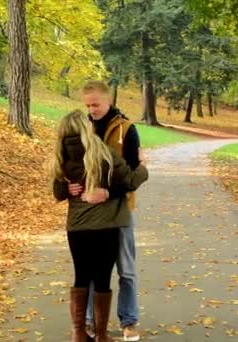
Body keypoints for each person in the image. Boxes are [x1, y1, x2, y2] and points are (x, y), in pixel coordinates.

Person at [51, 110, 148, 342]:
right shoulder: (103, 154)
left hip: (76, 228)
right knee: (102, 277)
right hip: (106, 225)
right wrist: (143, 166)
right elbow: (130, 180)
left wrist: (68, 189)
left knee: (82, 277)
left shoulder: (61, 156)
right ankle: (102, 334)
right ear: (87, 129)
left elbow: (57, 191)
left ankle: (79, 333)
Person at [77, 81, 143, 342]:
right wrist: (72, 185)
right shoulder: (81, 128)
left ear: (108, 101)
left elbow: (134, 174)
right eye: (87, 105)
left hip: (119, 209)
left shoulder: (127, 129)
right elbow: (72, 164)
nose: (91, 109)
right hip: (90, 211)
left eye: (96, 104)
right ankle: (91, 322)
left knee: (126, 270)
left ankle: (129, 322)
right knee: (92, 270)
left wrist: (108, 192)